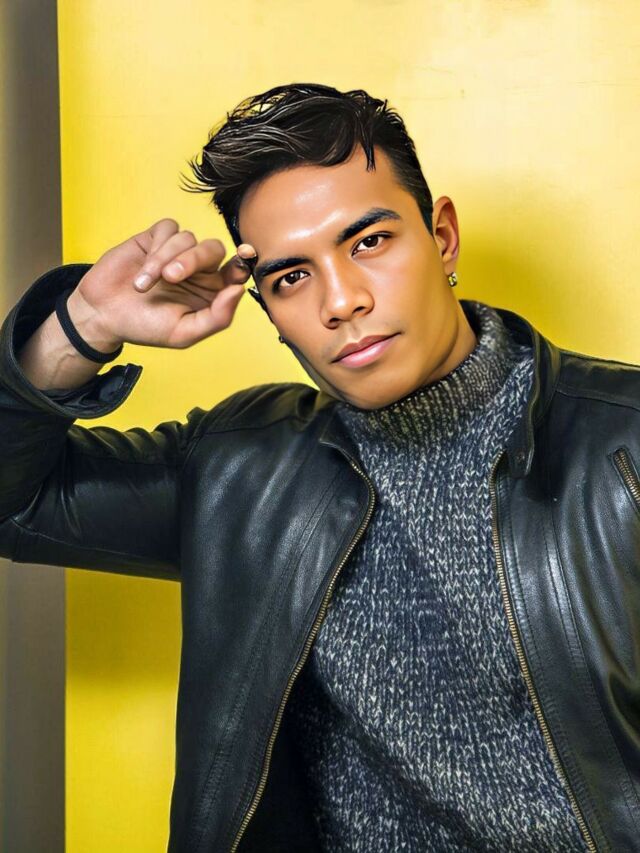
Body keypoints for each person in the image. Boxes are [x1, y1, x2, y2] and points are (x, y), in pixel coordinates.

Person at [0, 82, 638, 853]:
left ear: (442, 237)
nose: (341, 301)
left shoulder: (622, 446)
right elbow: (16, 501)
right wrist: (85, 325)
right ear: (268, 311)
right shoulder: (245, 468)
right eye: (292, 277)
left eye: (369, 242)